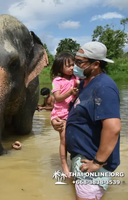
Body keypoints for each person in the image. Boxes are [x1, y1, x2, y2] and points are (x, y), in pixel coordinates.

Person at [51, 41, 121, 200]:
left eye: (79, 62)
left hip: (91, 162)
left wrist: (97, 162)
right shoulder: (83, 84)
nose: (75, 66)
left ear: (96, 64)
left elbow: (113, 128)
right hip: (81, 157)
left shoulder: (104, 87)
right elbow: (78, 112)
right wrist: (60, 123)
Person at [50, 52, 79, 177]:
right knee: (64, 140)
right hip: (61, 113)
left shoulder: (76, 78)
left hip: (72, 111)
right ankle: (64, 164)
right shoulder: (57, 81)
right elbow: (58, 98)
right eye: (68, 66)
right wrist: (70, 92)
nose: (71, 68)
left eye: (73, 65)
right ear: (59, 68)